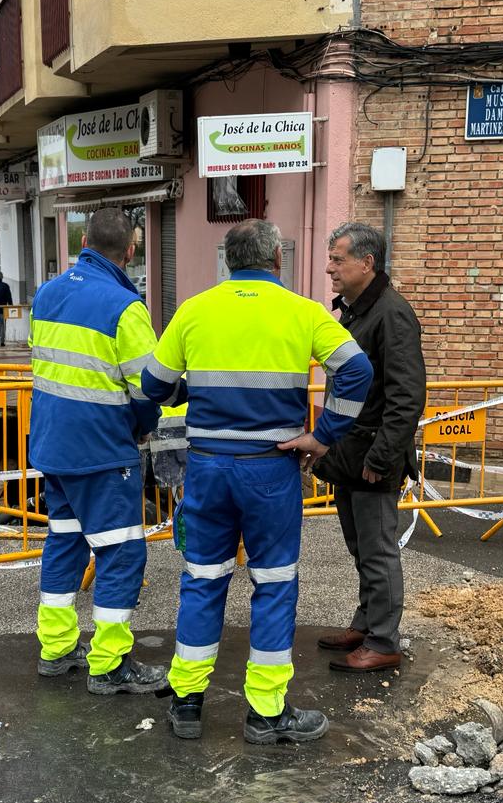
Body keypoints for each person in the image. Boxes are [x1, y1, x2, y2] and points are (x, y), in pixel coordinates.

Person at [141, 219, 373, 745]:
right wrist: (323, 435)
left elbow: (153, 385)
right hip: (271, 468)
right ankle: (265, 714)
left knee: (202, 579)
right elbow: (356, 371)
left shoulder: (194, 310)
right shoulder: (303, 312)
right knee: (273, 585)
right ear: (277, 261)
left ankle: (186, 702)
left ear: (228, 261)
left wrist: (197, 385)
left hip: (207, 468)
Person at [27, 208, 167, 694]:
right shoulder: (125, 308)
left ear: (83, 239)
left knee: (63, 544)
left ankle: (57, 648)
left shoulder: (46, 294)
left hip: (51, 448)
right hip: (103, 453)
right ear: (131, 251)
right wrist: (144, 430)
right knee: (121, 553)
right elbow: (148, 387)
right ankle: (109, 664)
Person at [312, 222, 426, 674]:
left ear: (367, 263)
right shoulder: (358, 311)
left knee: (378, 550)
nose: (329, 268)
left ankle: (383, 640)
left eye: (338, 259)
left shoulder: (392, 313)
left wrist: (382, 458)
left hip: (373, 458)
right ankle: (367, 622)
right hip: (351, 454)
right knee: (360, 547)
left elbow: (407, 395)